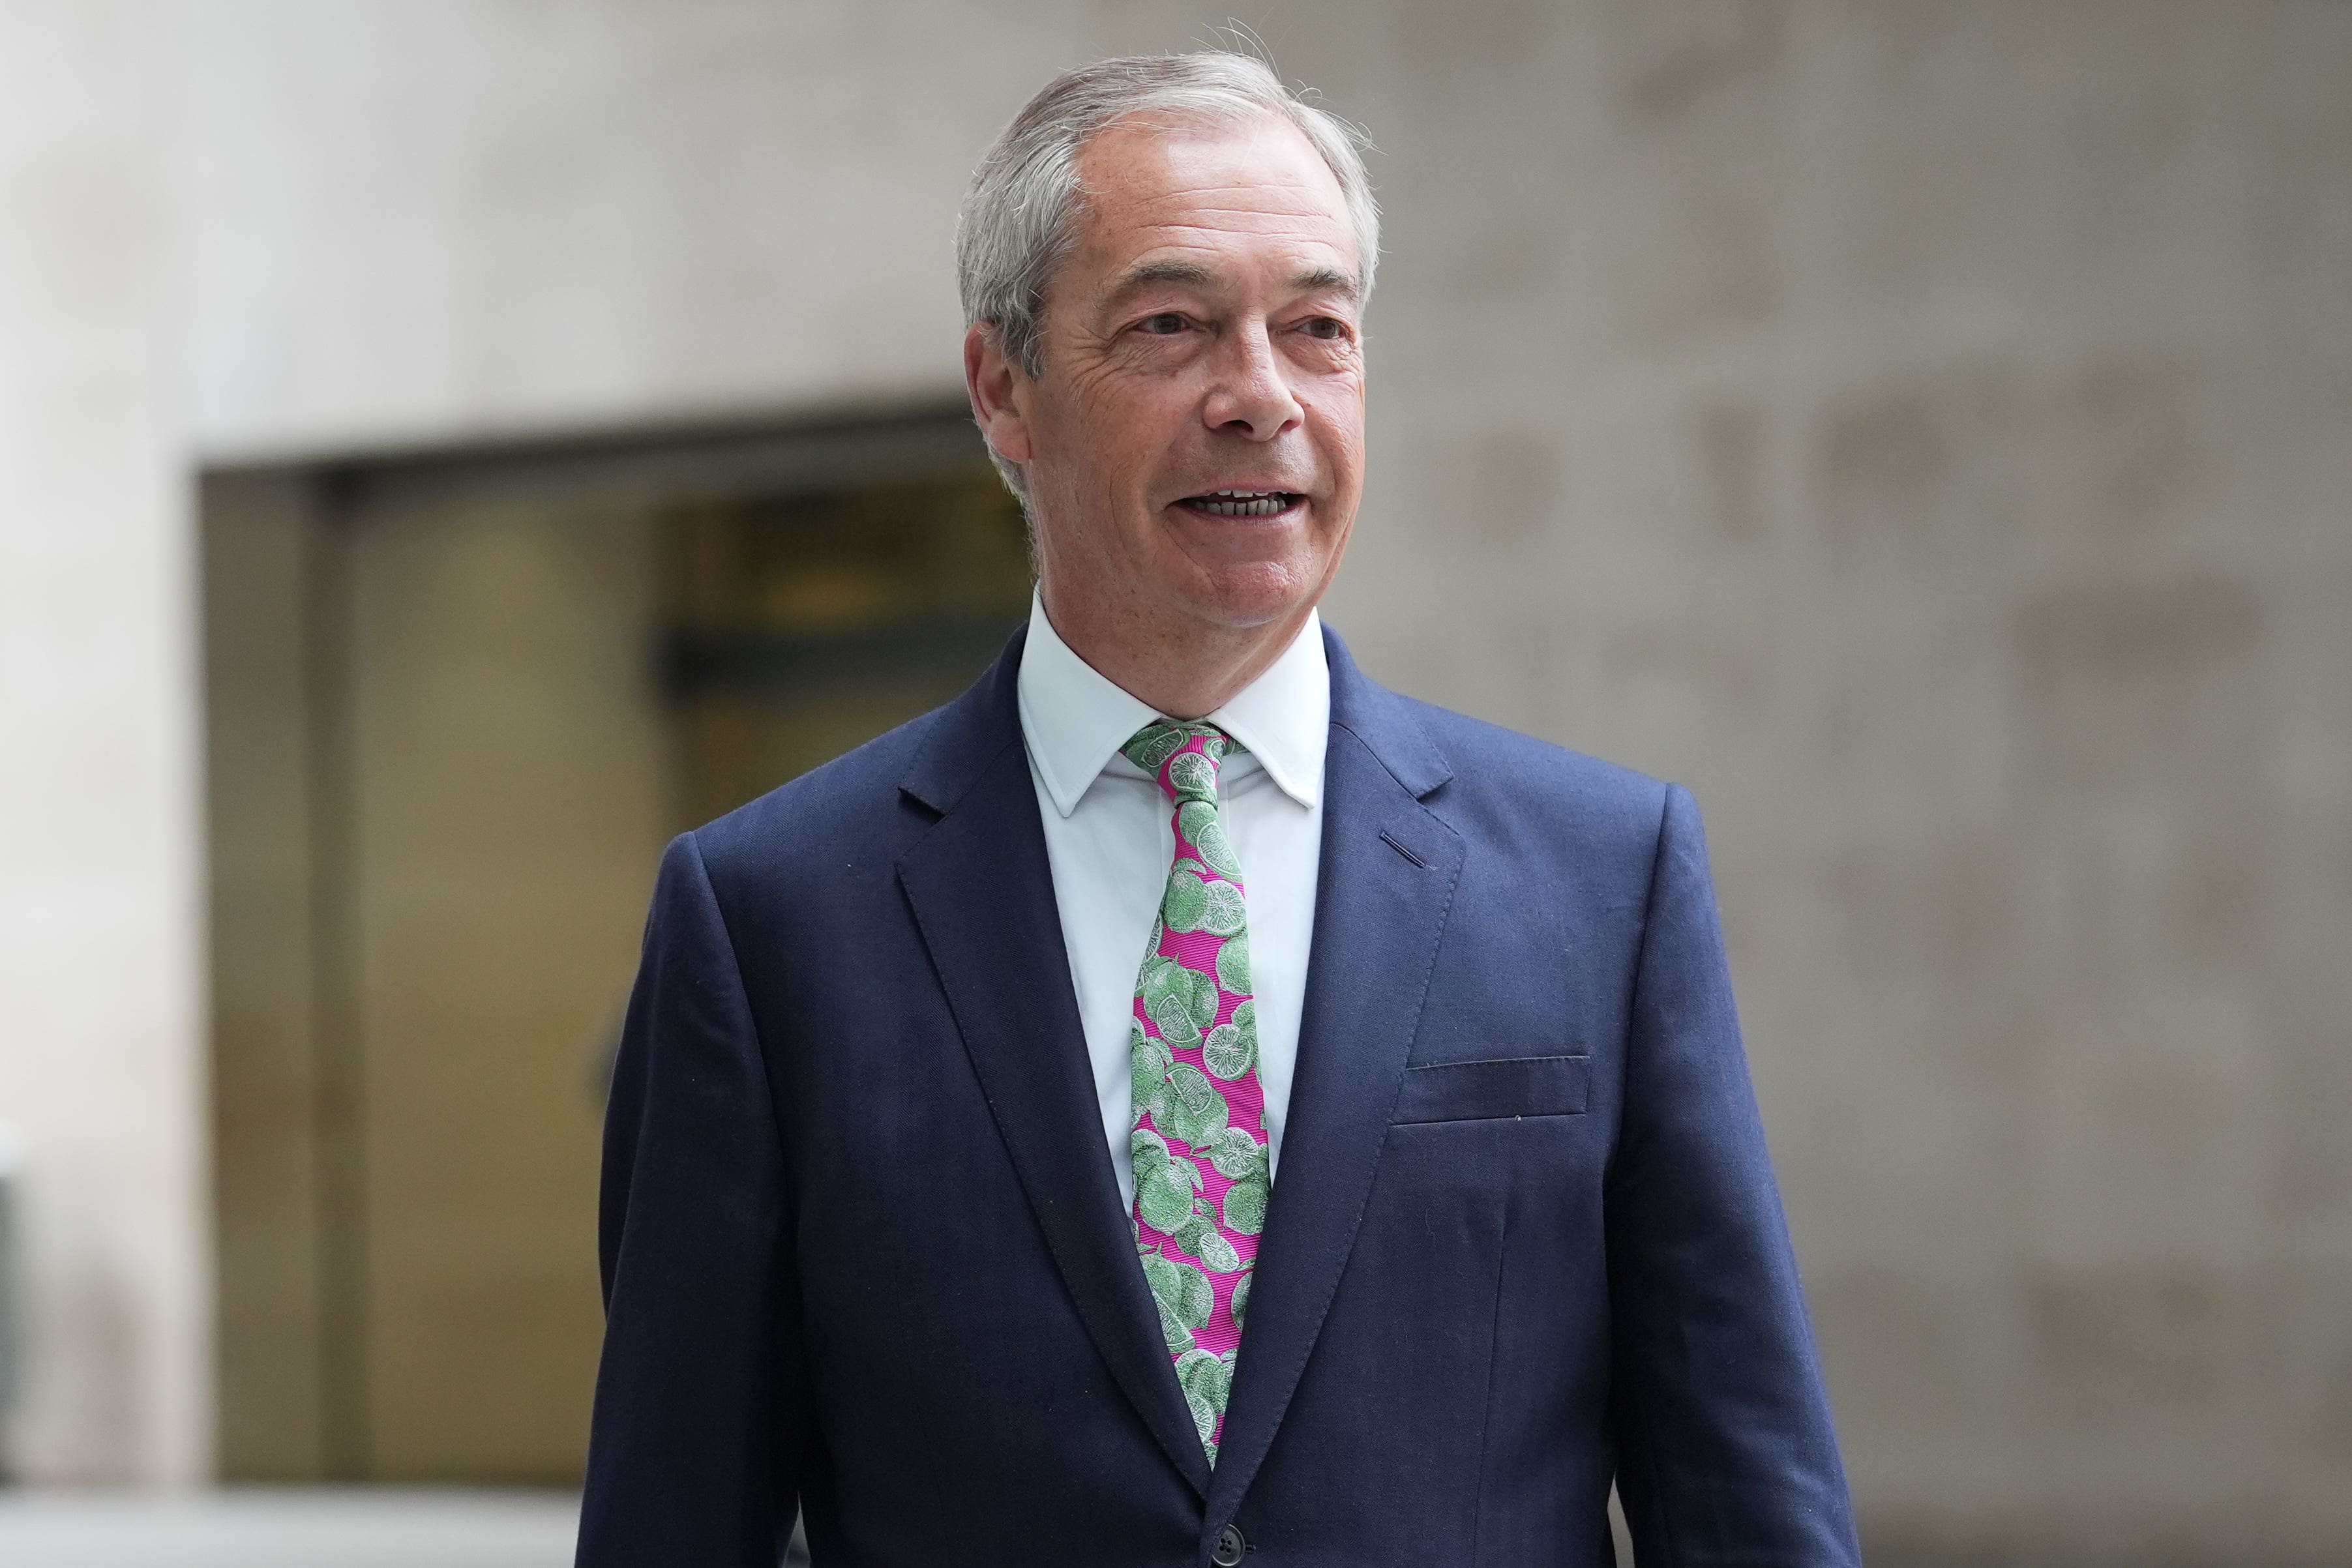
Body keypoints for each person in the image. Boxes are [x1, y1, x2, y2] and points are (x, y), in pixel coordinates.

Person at [576, 50, 1859, 1568]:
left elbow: (1744, 1495)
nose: (1259, 396)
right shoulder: (768, 918)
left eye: (1316, 329)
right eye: (1172, 327)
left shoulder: (1603, 878)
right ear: (1004, 388)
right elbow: (676, 1517)